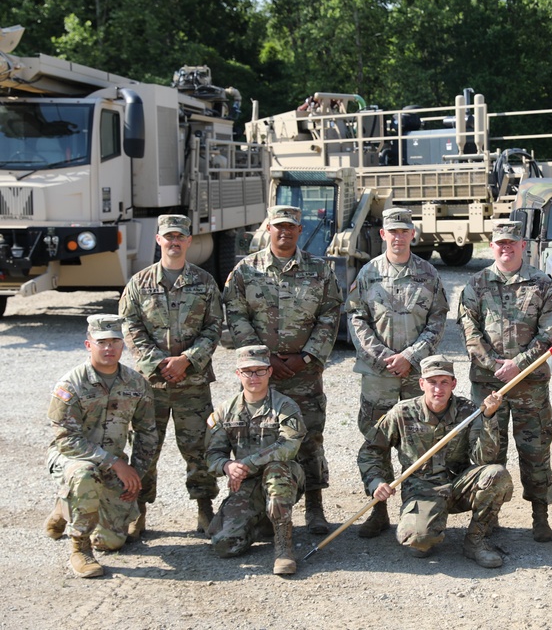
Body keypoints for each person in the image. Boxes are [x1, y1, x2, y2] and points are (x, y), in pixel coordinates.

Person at [223, 205, 342, 534]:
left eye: (291, 226)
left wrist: (305, 357)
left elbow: (330, 315)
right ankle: (262, 509)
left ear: (300, 231)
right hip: (260, 375)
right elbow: (236, 316)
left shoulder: (319, 270)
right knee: (258, 439)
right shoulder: (246, 271)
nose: (285, 232)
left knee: (309, 438)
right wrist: (265, 359)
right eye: (279, 226)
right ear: (268, 228)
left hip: (304, 373)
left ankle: (315, 508)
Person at [118, 214, 222, 539]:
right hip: (152, 385)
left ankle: (205, 509)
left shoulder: (204, 282)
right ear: (158, 240)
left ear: (189, 241)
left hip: (193, 383)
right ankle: (139, 511)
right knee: (146, 449)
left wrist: (187, 361)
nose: (174, 242)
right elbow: (130, 327)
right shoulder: (139, 284)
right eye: (168, 237)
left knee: (199, 448)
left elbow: (214, 327)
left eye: (180, 237)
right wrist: (160, 364)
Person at [347, 207, 449, 538]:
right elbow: (357, 319)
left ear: (412, 235)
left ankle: (414, 511)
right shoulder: (368, 273)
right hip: (379, 377)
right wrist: (383, 357)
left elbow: (437, 320)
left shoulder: (428, 274)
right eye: (393, 231)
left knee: (417, 443)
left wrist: (410, 356)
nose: (398, 237)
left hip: (415, 375)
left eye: (404, 231)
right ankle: (378, 511)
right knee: (376, 440)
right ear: (383, 235)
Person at [458, 220, 552, 542]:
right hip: (489, 385)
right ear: (492, 246)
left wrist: (519, 364)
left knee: (535, 450)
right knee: (490, 452)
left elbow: (550, 333)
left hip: (530, 384)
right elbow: (468, 330)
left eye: (512, 243)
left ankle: (540, 516)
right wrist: (494, 366)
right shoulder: (477, 283)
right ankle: (489, 516)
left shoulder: (541, 284)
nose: (506, 248)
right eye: (500, 243)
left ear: (523, 246)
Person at [357, 355, 512, 567]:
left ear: (453, 384)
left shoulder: (469, 411)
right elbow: (371, 450)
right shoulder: (403, 413)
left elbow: (484, 459)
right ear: (421, 383)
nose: (438, 389)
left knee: (496, 473)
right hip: (421, 490)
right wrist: (376, 482)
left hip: (458, 486)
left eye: (444, 382)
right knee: (419, 543)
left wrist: (488, 419)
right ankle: (428, 523)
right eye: (432, 382)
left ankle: (476, 540)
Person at [43, 314, 157, 578]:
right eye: (101, 342)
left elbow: (147, 434)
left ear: (123, 345)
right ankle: (79, 550)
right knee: (84, 473)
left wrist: (135, 475)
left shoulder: (136, 383)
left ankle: (64, 507)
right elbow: (66, 440)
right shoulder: (70, 384)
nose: (109, 348)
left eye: (115, 341)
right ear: (88, 345)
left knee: (111, 542)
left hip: (112, 464)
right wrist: (115, 463)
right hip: (70, 458)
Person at [204, 345, 306, 575]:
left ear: (270, 372)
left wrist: (248, 463)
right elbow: (212, 454)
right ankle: (261, 523)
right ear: (238, 374)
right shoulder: (225, 411)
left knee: (275, 469)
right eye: (247, 371)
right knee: (224, 545)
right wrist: (227, 466)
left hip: (284, 478)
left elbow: (289, 446)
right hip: (247, 484)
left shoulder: (285, 406)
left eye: (259, 371)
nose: (253, 377)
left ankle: (283, 546)